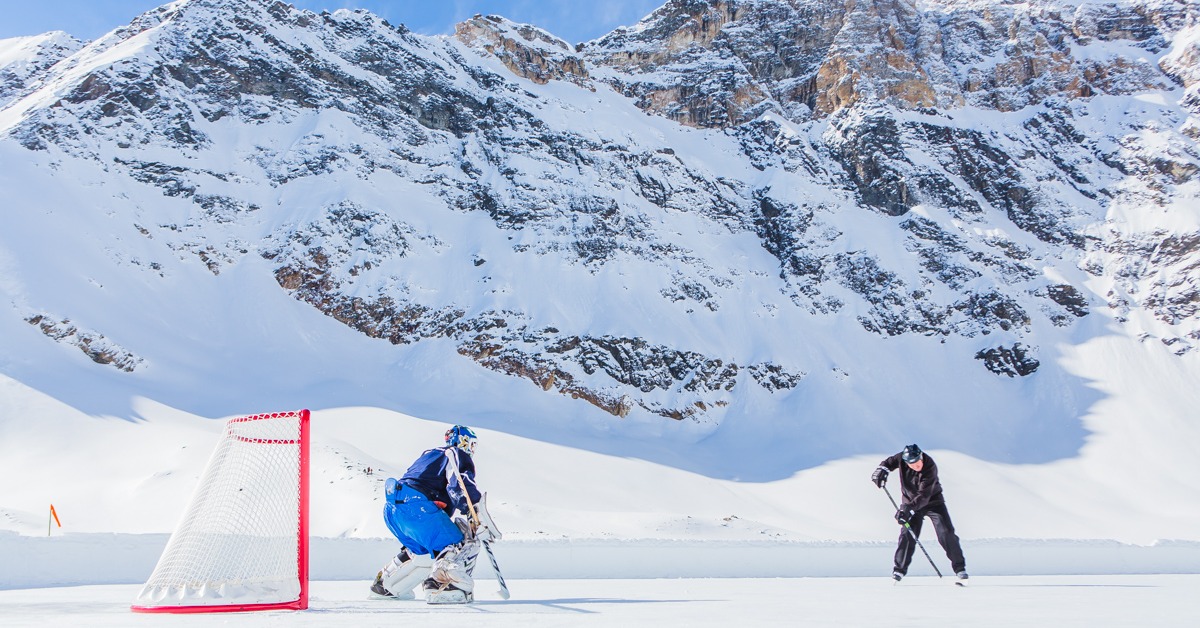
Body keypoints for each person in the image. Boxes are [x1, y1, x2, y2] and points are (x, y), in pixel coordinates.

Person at [370, 425, 501, 604]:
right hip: (417, 508)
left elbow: (420, 483)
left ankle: (386, 586)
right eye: (471, 444)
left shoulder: (429, 455)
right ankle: (444, 586)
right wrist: (474, 511)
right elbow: (459, 483)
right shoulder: (455, 454)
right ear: (464, 442)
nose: (471, 449)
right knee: (459, 543)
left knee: (425, 554)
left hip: (393, 511)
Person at [871, 444, 968, 582]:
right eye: (912, 464)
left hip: (933, 502)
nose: (916, 466)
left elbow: (924, 494)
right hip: (910, 503)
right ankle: (898, 571)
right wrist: (881, 470)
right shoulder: (900, 459)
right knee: (907, 534)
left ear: (921, 456)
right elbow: (888, 463)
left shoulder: (930, 466)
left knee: (946, 533)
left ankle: (960, 569)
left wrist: (908, 508)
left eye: (918, 461)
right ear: (905, 462)